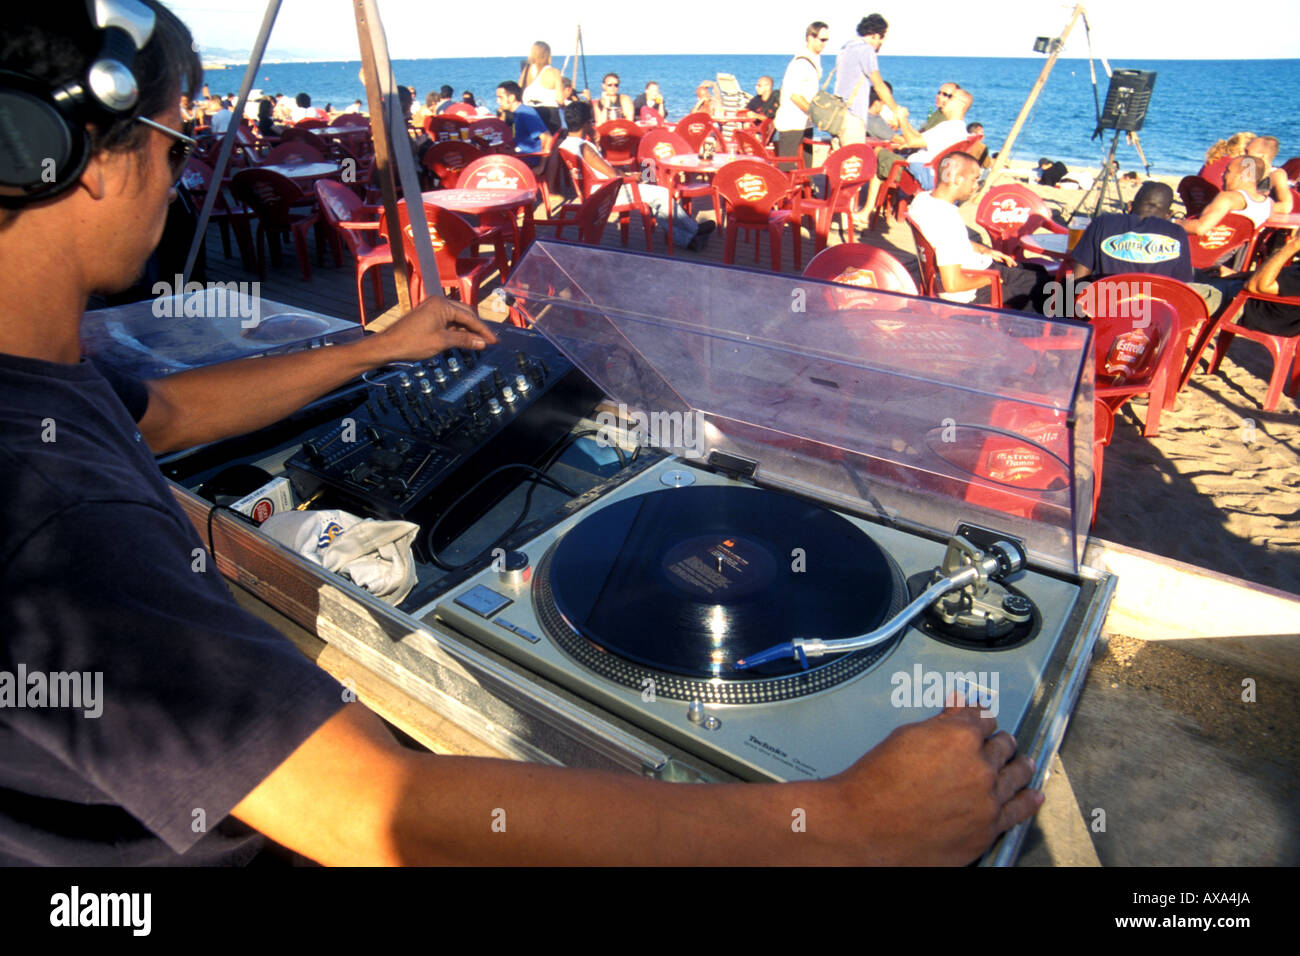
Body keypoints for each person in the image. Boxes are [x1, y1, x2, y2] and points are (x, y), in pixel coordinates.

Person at [1, 2, 1043, 867]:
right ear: (85, 162)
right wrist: (841, 823)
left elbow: (169, 412)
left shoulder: (41, 375)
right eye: (181, 140)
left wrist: (370, 354)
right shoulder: (56, 514)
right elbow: (371, 814)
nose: (182, 175)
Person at [559, 101, 715, 252]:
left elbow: (595, 171)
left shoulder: (566, 145)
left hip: (596, 191)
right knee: (662, 193)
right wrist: (633, 177)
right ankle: (693, 231)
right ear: (587, 123)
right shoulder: (584, 147)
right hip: (607, 193)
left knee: (657, 199)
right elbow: (612, 174)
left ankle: (689, 238)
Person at [908, 152, 1053, 311]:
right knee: (1040, 285)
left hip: (972, 267)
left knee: (1038, 270)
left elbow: (941, 240)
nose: (976, 186)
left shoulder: (923, 200)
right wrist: (992, 279)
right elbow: (953, 284)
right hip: (971, 291)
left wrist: (983, 250)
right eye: (974, 179)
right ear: (957, 179)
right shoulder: (947, 220)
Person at [1071, 182, 1193, 282]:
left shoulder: (1102, 222)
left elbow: (1079, 277)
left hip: (1106, 306)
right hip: (1156, 308)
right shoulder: (1177, 233)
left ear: (1130, 206)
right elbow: (1183, 285)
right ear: (1168, 215)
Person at [890, 86, 972, 190]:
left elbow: (912, 142)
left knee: (881, 154)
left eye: (950, 97)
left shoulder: (949, 127)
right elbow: (919, 137)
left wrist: (901, 118)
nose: (945, 100)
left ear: (961, 104)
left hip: (920, 173)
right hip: (932, 172)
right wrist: (905, 121)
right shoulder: (957, 128)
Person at [773, 21, 829, 169]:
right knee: (787, 169)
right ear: (810, 37)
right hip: (792, 122)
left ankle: (807, 191)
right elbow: (795, 96)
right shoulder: (801, 64)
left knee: (806, 169)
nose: (824, 44)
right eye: (822, 40)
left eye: (826, 40)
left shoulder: (812, 60)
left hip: (804, 122)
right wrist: (815, 114)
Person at [835, 14, 899, 135]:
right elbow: (879, 86)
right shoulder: (866, 50)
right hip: (853, 117)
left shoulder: (846, 48)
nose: (881, 42)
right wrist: (896, 110)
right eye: (881, 38)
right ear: (875, 35)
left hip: (837, 115)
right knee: (855, 153)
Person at [1184, 155, 1273, 234]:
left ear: (1244, 175)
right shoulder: (1269, 203)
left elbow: (1200, 228)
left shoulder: (1228, 198)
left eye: (1228, 171)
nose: (1223, 174)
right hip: (1245, 251)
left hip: (1215, 249)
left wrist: (1174, 222)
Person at [1233, 231, 1300, 336]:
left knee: (1197, 293)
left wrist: (1293, 245)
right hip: (1240, 295)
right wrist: (1238, 274)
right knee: (1199, 274)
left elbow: (1255, 286)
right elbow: (1278, 277)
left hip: (1246, 308)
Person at [519, 41, 564, 133]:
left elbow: (519, 90)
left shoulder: (526, 71)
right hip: (549, 117)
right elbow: (560, 100)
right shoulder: (553, 72)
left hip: (529, 115)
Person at [1246, 135, 1294, 216]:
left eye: (1247, 152)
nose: (1243, 155)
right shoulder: (1246, 173)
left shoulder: (1276, 175)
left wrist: (1251, 208)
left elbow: (1286, 206)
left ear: (1263, 156)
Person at [496, 81, 547, 155]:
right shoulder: (517, 113)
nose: (497, 101)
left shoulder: (525, 113)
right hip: (520, 153)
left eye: (500, 97)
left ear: (511, 98)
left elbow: (546, 138)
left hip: (528, 158)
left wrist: (541, 166)